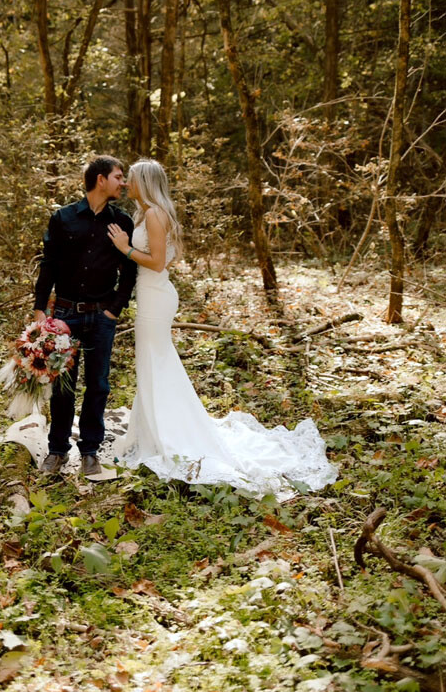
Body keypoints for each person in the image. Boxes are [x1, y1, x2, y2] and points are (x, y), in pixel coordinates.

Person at [107, 159, 337, 500]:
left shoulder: (154, 214)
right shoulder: (147, 214)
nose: (128, 184)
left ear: (146, 182)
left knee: (155, 363)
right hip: (152, 294)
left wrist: (125, 248)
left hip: (155, 297)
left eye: (132, 179)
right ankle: (155, 430)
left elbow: (157, 262)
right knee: (155, 364)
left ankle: (167, 435)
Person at [33, 156, 137, 476]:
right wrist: (40, 309)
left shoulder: (122, 222)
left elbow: (129, 270)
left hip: (101, 317)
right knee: (63, 385)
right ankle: (57, 450)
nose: (123, 183)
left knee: (99, 385)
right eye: (118, 176)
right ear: (100, 180)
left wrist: (114, 309)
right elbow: (49, 264)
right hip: (65, 314)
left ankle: (90, 451)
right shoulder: (63, 218)